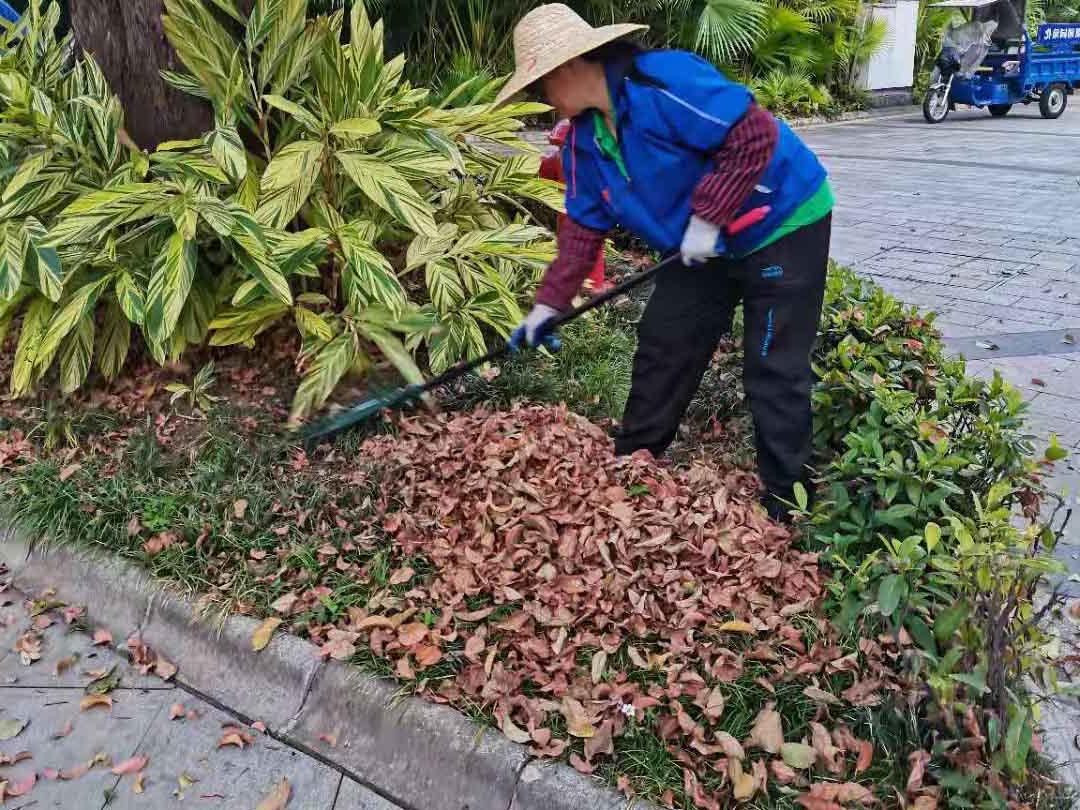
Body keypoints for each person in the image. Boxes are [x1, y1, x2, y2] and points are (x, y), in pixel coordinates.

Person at [499, 4, 833, 521]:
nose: (542, 100)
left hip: (781, 221)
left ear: (567, 68)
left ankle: (789, 507)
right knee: (665, 339)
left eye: (540, 86)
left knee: (773, 368)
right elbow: (584, 228)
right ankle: (634, 464)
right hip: (701, 241)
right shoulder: (585, 142)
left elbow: (754, 135)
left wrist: (707, 217)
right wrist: (548, 305)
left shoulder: (662, 80)